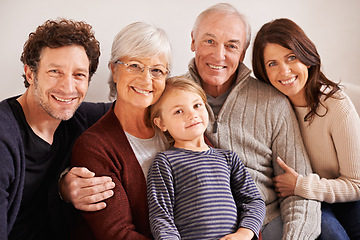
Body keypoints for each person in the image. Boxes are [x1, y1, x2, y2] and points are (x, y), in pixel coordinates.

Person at [183, 3, 321, 240]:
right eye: (209, 41)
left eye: (231, 45)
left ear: (243, 52)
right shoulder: (169, 98)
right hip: (199, 225)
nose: (219, 55)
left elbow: (299, 192)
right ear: (193, 40)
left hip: (266, 221)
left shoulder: (273, 102)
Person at [0, 18, 114, 240]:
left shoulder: (78, 118)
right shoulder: (4, 137)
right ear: (30, 73)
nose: (68, 88)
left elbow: (135, 106)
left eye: (79, 75)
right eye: (55, 71)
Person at [252, 18, 360, 240]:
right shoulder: (268, 109)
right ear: (263, 71)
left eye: (291, 57)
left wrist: (301, 185)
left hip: (347, 197)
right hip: (311, 202)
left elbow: (357, 184)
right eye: (272, 63)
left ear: (307, 58)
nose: (285, 71)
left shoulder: (336, 104)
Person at [70, 21, 172, 240]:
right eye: (135, 65)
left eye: (156, 70)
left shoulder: (176, 125)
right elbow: (118, 234)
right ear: (114, 70)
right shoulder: (94, 147)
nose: (146, 79)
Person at [147, 76, 265, 240]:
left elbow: (253, 201)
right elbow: (161, 216)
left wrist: (244, 233)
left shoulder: (228, 158)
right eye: (178, 111)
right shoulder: (165, 162)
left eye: (197, 105)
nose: (192, 115)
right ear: (161, 124)